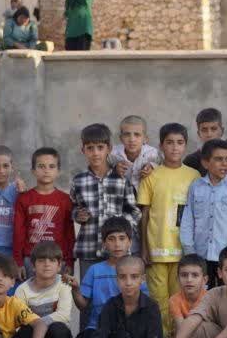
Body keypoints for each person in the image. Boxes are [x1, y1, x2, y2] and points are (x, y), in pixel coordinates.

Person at [138, 123, 200, 338]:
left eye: (180, 143)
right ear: (161, 146)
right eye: (169, 143)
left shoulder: (194, 176)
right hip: (156, 249)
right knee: (158, 299)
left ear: (185, 146)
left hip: (183, 249)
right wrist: (144, 249)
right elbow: (144, 215)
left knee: (180, 298)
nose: (175, 148)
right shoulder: (151, 175)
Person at [72, 123, 140, 280]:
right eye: (90, 148)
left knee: (118, 292)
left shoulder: (121, 180)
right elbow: (74, 207)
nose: (95, 153)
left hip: (118, 252)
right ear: (83, 150)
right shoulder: (79, 181)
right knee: (89, 295)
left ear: (109, 148)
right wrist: (77, 215)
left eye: (100, 147)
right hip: (89, 248)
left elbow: (134, 211)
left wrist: (120, 225)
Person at [180, 138, 227, 286]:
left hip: (225, 255)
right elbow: (187, 220)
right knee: (203, 295)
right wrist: (189, 249)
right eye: (218, 159)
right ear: (205, 163)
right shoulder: (196, 187)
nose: (224, 164)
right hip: (200, 254)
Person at [11, 241, 74, 338]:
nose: (46, 264)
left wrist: (39, 323)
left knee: (59, 329)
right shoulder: (22, 290)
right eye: (41, 260)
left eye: (52, 260)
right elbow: (19, 322)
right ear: (33, 266)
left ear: (59, 266)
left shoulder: (63, 285)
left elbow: (63, 315)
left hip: (54, 337)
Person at [73, 217, 135, 338]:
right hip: (96, 328)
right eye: (111, 239)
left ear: (130, 242)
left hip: (125, 330)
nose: (117, 244)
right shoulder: (95, 270)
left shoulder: (136, 270)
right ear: (104, 244)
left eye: (122, 238)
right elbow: (83, 306)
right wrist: (75, 290)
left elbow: (141, 305)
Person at [12, 147, 75, 273]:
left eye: (51, 166)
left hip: (57, 260)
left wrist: (69, 261)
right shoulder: (23, 199)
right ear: (33, 171)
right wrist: (18, 262)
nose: (46, 170)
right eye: (41, 166)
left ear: (58, 171)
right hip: (31, 260)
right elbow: (18, 232)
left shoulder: (65, 200)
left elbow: (69, 233)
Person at [108, 115, 161, 194]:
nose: (132, 139)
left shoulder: (152, 153)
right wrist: (114, 170)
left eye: (137, 135)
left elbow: (162, 168)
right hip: (121, 195)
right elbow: (103, 171)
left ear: (145, 139)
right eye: (127, 134)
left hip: (145, 196)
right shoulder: (113, 154)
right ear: (121, 138)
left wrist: (152, 167)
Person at [168, 255, 208, 328]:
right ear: (177, 279)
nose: (189, 280)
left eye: (195, 275)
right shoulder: (174, 300)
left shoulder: (210, 299)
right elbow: (181, 328)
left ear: (204, 280)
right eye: (184, 275)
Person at [182, 109, 227, 174]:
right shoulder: (191, 161)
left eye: (213, 129)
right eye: (204, 130)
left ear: (222, 131)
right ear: (198, 133)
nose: (209, 134)